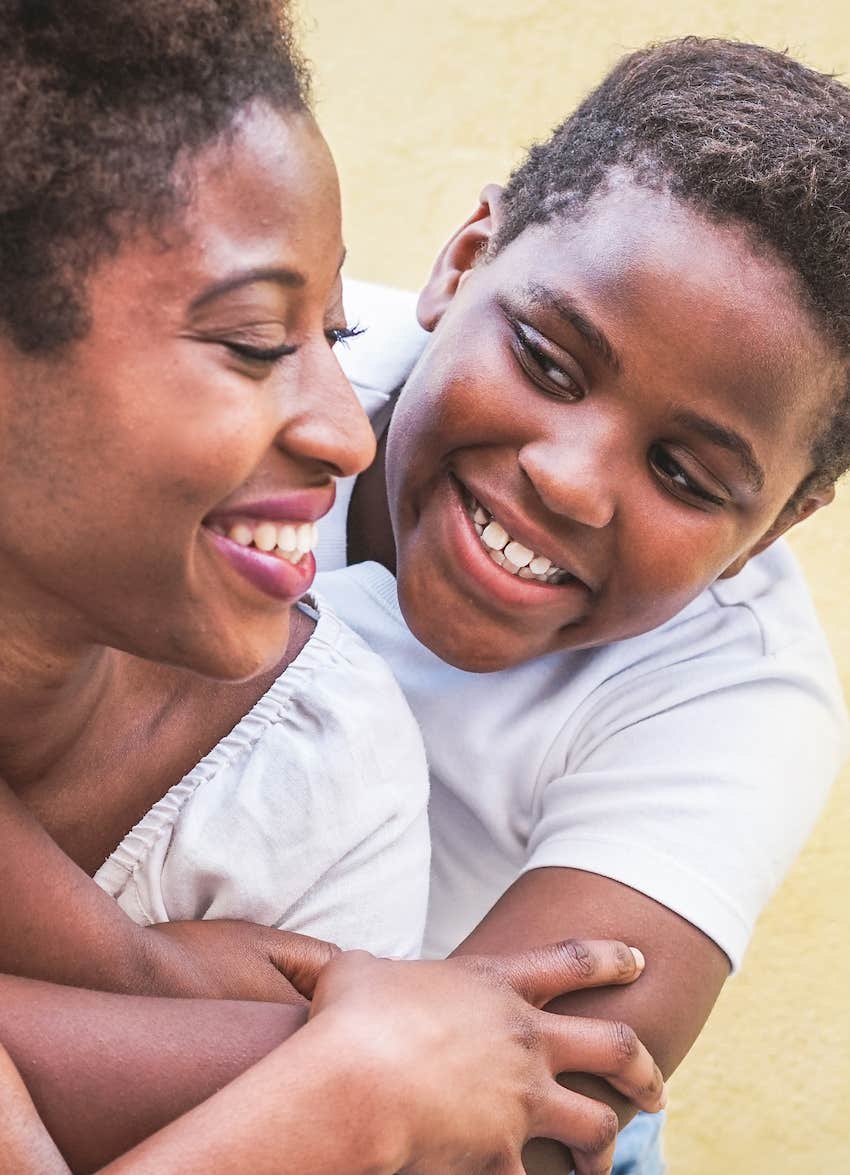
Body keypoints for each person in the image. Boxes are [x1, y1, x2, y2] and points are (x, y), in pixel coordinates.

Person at [0, 2, 665, 1172]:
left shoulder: (328, 765)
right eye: (257, 340)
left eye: (336, 331)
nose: (346, 432)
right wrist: (358, 1078)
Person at [310, 36, 850, 1173]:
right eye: (550, 364)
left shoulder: (739, 695)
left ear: (779, 524)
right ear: (463, 261)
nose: (565, 476)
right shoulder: (263, 369)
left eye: (684, 476)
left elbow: (514, 1115)